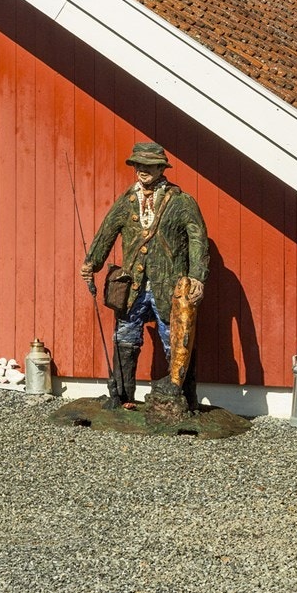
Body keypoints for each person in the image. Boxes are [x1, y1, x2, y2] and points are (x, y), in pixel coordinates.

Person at [79, 142, 208, 409]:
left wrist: (197, 277)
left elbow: (198, 240)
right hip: (133, 287)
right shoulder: (126, 202)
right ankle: (122, 396)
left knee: (176, 339)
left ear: (161, 168)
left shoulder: (182, 203)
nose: (142, 170)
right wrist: (92, 263)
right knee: (125, 336)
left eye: (148, 165)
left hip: (170, 287)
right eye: (138, 165)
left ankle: (183, 398)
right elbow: (107, 232)